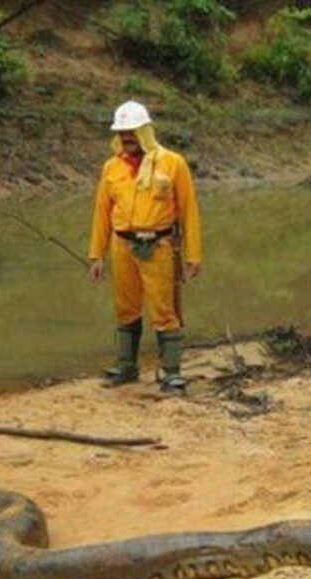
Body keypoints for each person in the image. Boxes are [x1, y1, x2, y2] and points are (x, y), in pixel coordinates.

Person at [87, 100, 203, 393]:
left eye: (132, 131)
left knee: (163, 308)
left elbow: (189, 210)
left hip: (160, 245)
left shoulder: (172, 163)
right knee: (126, 308)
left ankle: (172, 371)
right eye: (122, 132)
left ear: (145, 131)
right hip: (122, 245)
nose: (127, 137)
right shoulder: (111, 168)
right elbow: (101, 213)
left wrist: (193, 254)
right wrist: (96, 255)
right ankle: (127, 366)